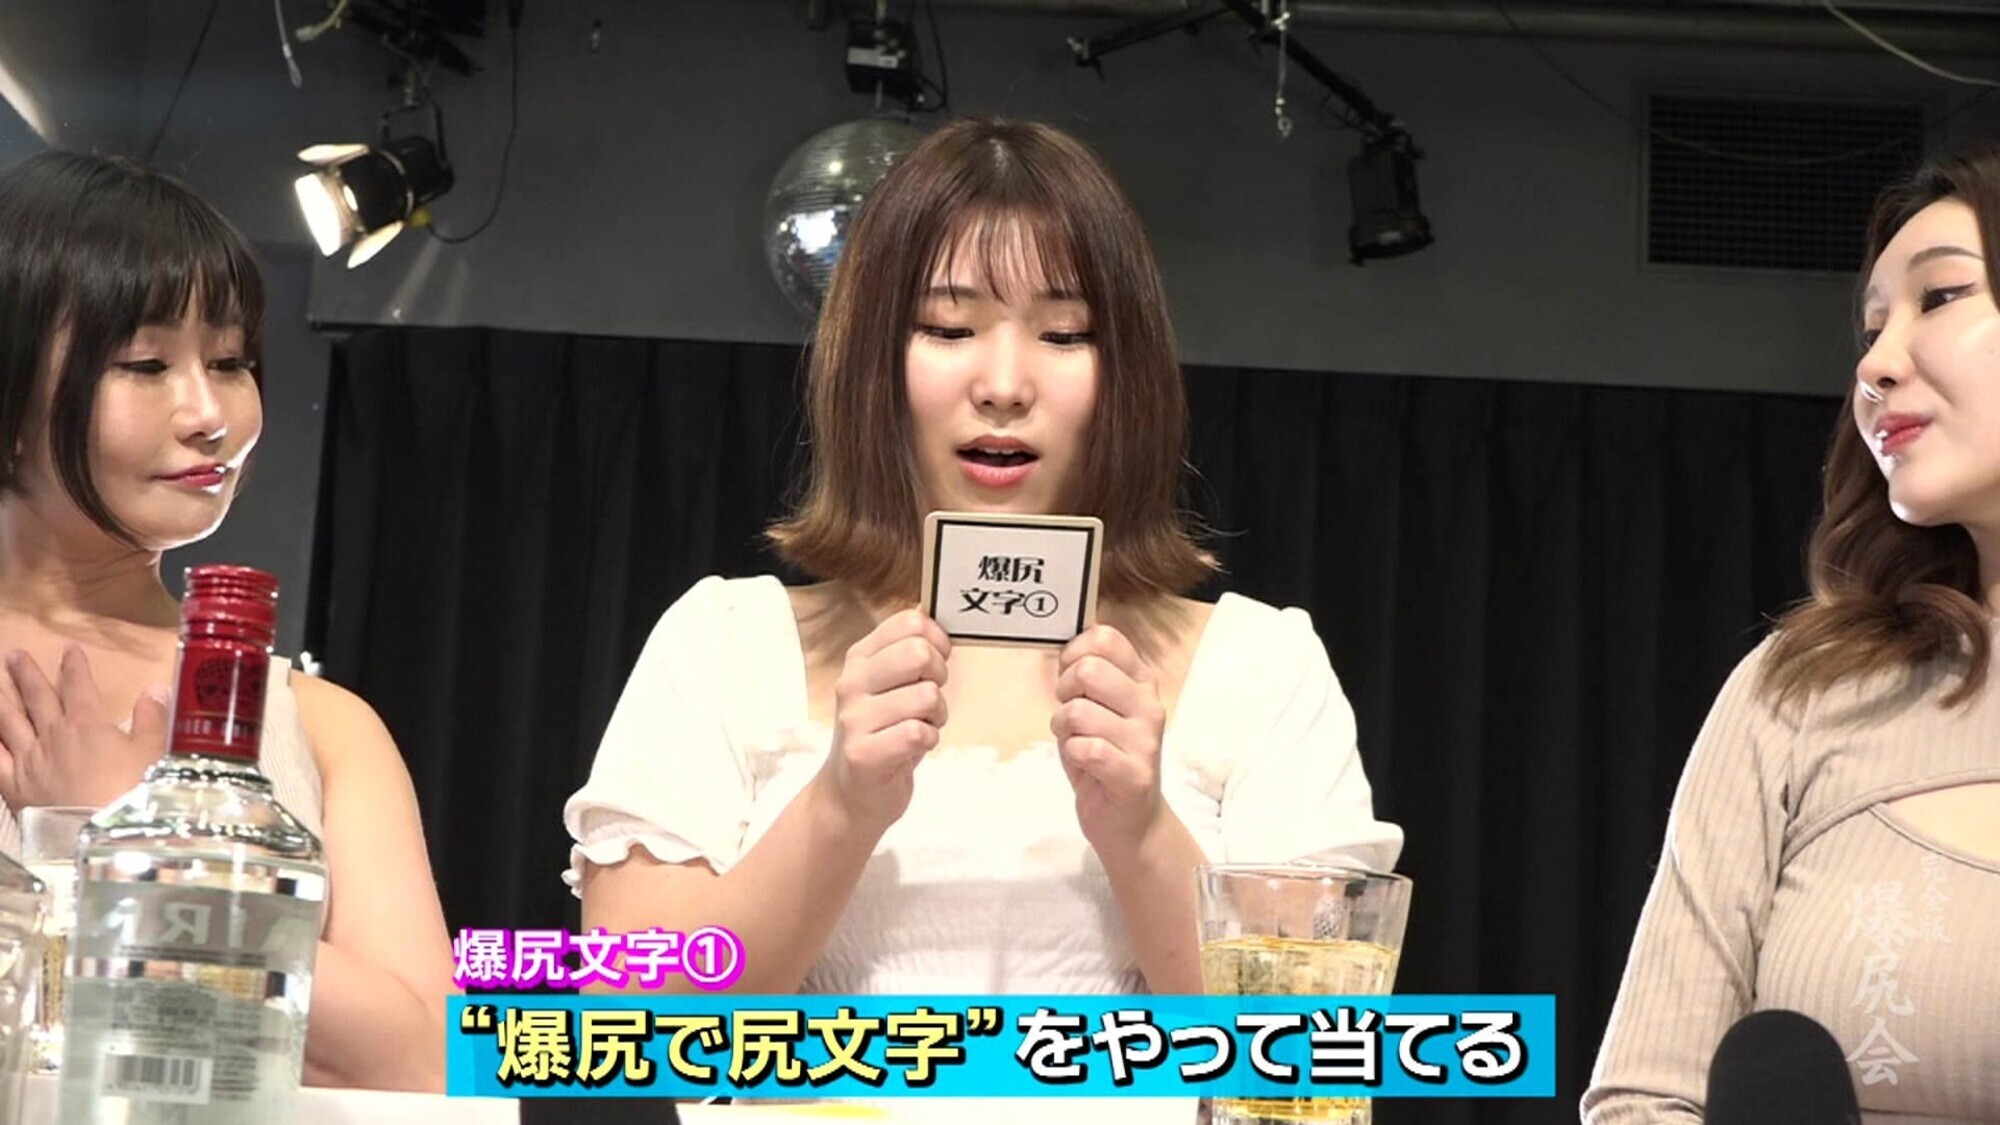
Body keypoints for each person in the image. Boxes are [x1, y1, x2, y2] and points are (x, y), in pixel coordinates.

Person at [566, 117, 1402, 995]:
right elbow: (629, 1017)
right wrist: (840, 805)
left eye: (1065, 334)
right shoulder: (723, 642)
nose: (1003, 385)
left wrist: (1142, 831)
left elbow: (1310, 1040)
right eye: (947, 326)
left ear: (1129, 372)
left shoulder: (1262, 664)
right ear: (871, 363)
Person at [0, 151, 453, 1090]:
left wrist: (149, 862)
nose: (209, 415)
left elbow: (425, 1059)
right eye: (146, 365)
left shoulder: (321, 726)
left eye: (230, 361)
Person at [1585, 143, 2000, 1121]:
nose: (1875, 363)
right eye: (1871, 327)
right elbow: (1646, 1094)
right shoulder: (1802, 688)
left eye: (1940, 297)